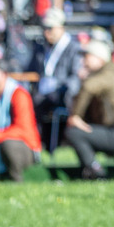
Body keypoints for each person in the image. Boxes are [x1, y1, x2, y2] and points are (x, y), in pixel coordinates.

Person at [65, 40, 114, 179]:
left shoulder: (107, 75)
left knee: (74, 133)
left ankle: (97, 172)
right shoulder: (111, 72)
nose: (83, 61)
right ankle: (92, 169)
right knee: (78, 132)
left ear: (99, 58)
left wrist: (75, 116)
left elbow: (88, 88)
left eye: (87, 56)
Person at [28, 8, 81, 151]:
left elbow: (76, 77)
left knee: (38, 101)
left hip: (63, 93)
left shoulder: (73, 48)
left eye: (50, 28)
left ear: (61, 27)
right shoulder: (42, 48)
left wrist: (58, 85)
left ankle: (39, 144)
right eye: (45, 28)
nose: (47, 32)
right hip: (43, 92)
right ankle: (35, 142)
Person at [0, 62, 42, 182]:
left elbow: (22, 129)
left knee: (8, 144)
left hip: (25, 147)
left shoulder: (19, 94)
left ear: (3, 75)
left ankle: (16, 178)